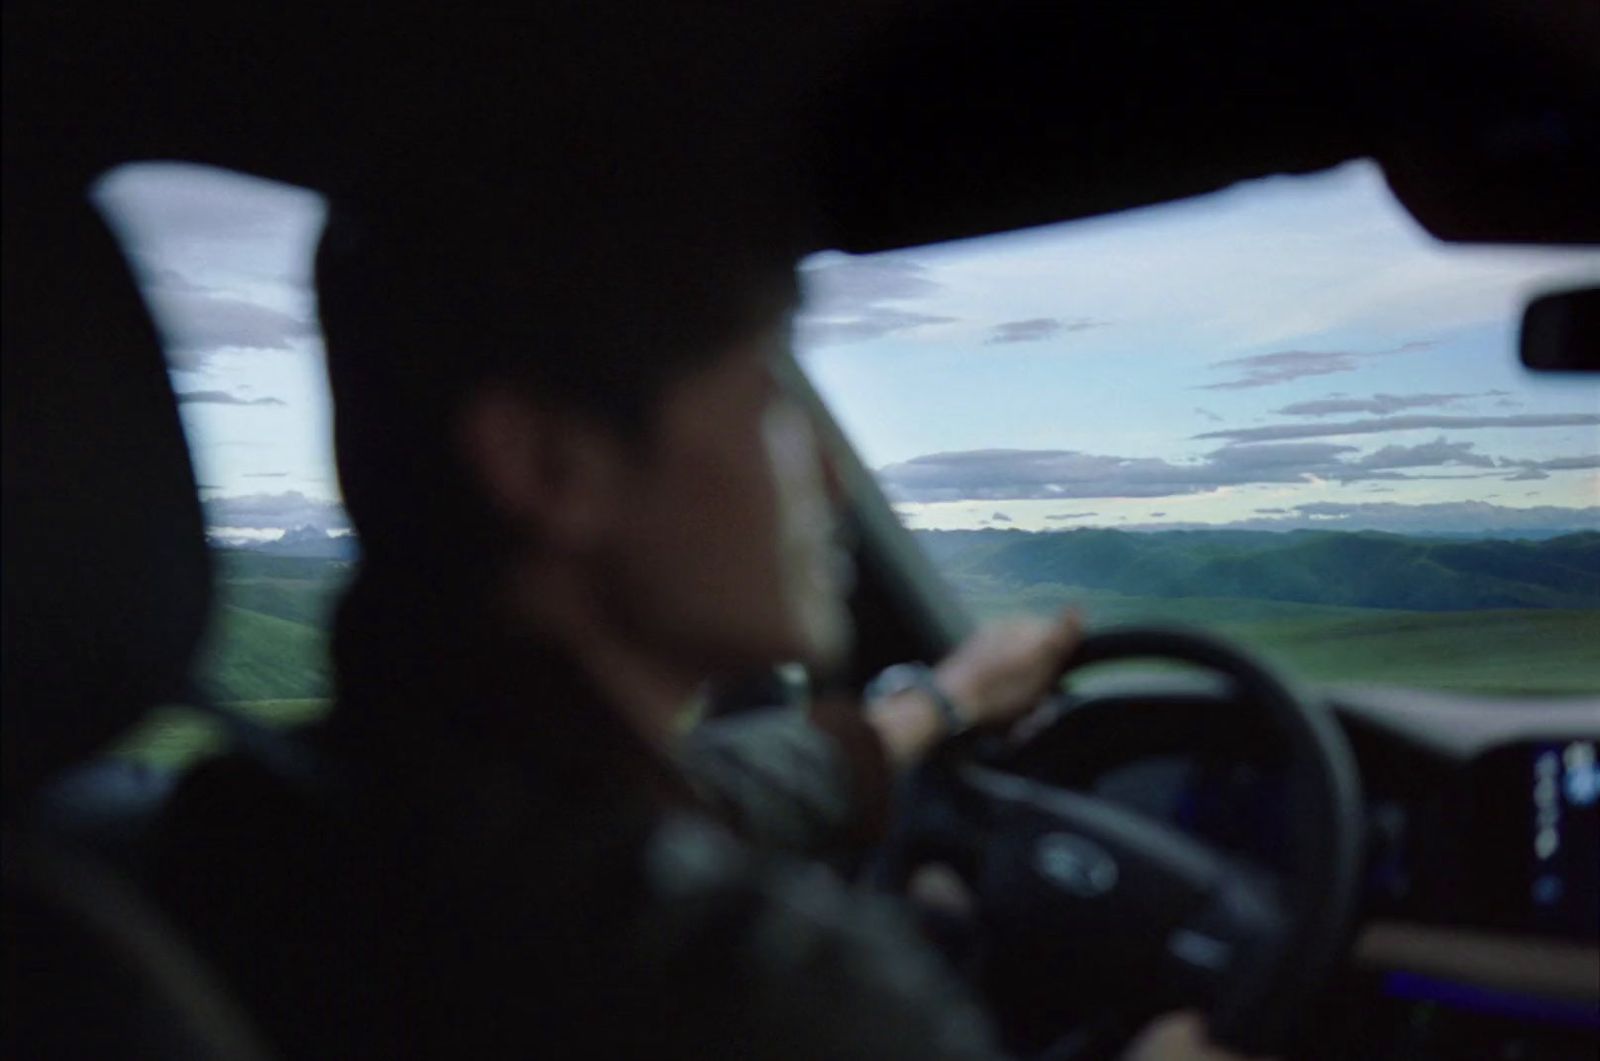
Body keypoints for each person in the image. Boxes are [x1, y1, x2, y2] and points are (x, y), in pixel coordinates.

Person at [153, 172, 1265, 1059]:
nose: (829, 481)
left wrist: (942, 699)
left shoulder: (242, 823)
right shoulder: (774, 997)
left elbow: (681, 795)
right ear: (550, 464)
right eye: (773, 405)